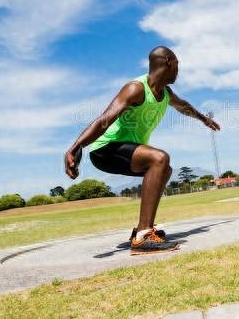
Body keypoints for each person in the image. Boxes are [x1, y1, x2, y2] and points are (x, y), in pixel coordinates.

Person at [64, 46, 220, 255]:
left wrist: (204, 119)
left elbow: (184, 107)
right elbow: (104, 120)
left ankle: (142, 230)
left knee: (164, 169)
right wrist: (75, 148)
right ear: (168, 61)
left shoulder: (165, 93)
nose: (178, 71)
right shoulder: (135, 88)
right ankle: (143, 237)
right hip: (105, 149)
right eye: (177, 65)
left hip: (126, 150)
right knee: (159, 158)